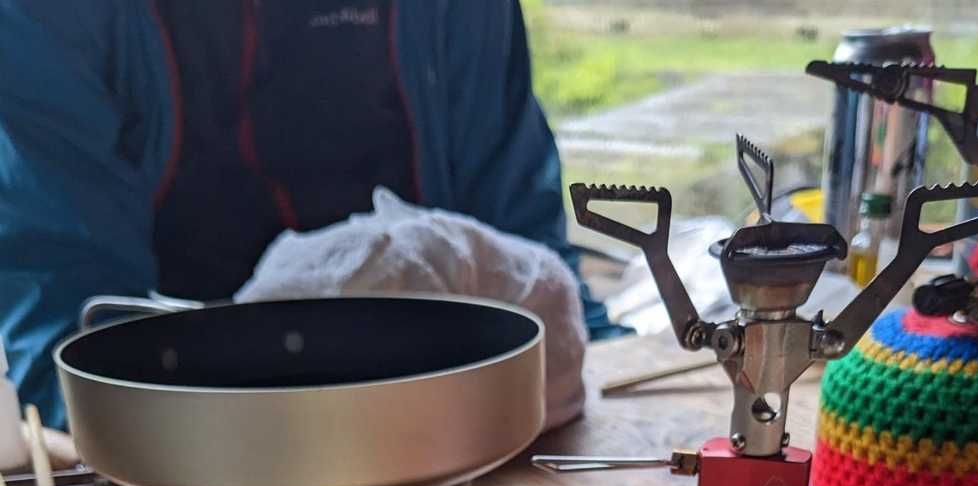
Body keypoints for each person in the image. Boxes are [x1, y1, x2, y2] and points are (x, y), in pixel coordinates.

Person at [0, 0, 617, 429]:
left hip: (458, 423)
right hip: (190, 433)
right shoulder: (57, 17)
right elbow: (64, 315)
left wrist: (595, 361)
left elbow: (525, 244)